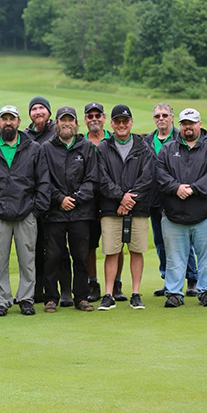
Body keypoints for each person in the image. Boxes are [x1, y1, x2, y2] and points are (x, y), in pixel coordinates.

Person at [0, 105, 50, 317]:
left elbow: (43, 182)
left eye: (12, 118)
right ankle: (2, 300)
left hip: (26, 212)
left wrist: (36, 210)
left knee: (27, 259)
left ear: (18, 122)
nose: (8, 122)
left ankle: (26, 298)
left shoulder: (33, 147)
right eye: (4, 119)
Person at [157, 108, 207, 308]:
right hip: (174, 215)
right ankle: (174, 293)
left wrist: (193, 189)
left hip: (206, 213)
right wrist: (175, 187)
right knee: (175, 258)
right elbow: (160, 173)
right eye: (185, 123)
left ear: (200, 124)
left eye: (192, 123)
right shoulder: (168, 149)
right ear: (180, 125)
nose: (188, 127)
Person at [40, 107, 97, 312]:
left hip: (81, 212)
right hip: (54, 212)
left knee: (80, 256)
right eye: (62, 120)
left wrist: (75, 199)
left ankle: (81, 297)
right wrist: (60, 199)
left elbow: (92, 179)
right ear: (56, 123)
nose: (66, 124)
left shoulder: (87, 147)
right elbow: (44, 180)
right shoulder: (46, 148)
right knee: (53, 256)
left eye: (70, 120)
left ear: (76, 123)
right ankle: (51, 297)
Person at [96, 104, 152, 311]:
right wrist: (121, 197)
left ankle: (136, 293)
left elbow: (147, 177)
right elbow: (102, 178)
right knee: (111, 251)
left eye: (125, 121)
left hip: (137, 208)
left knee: (136, 250)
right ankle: (108, 294)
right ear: (111, 123)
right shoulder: (103, 147)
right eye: (117, 121)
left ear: (131, 122)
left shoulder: (143, 146)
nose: (121, 125)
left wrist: (129, 200)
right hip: (111, 209)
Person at [144, 103, 198, 297]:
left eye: (165, 115)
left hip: (177, 197)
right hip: (154, 199)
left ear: (172, 117)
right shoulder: (146, 141)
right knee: (160, 241)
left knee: (184, 240)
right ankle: (168, 279)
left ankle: (192, 279)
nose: (161, 118)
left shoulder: (180, 137)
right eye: (157, 115)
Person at [26, 95, 71, 306]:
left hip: (56, 203)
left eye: (42, 108)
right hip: (32, 203)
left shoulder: (57, 134)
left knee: (58, 250)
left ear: (49, 113)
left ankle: (65, 292)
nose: (38, 112)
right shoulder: (25, 137)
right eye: (34, 109)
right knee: (34, 249)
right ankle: (37, 291)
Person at [83, 102, 126, 302]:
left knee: (117, 244)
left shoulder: (114, 139)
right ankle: (93, 284)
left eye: (97, 115)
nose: (94, 119)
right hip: (89, 202)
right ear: (85, 120)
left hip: (113, 200)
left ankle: (116, 284)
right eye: (90, 116)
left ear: (104, 118)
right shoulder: (80, 142)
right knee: (90, 245)